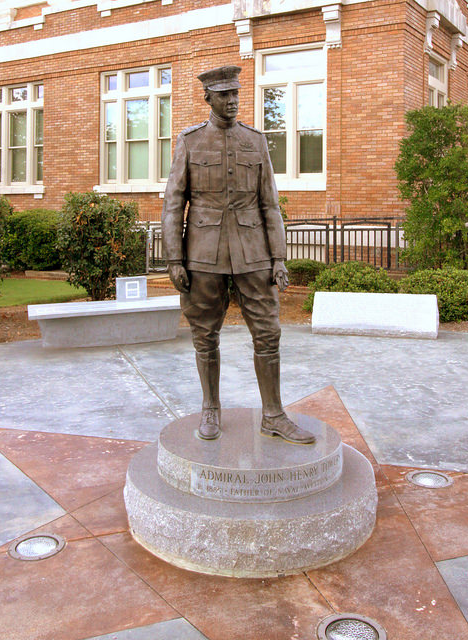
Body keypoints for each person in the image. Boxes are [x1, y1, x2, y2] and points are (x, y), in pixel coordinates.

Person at [162, 65, 315, 445]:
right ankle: (211, 407)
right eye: (224, 95)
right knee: (204, 334)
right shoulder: (190, 141)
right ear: (208, 98)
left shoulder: (256, 140)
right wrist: (174, 259)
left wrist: (278, 256)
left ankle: (274, 415)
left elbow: (270, 205)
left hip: (253, 252)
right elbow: (173, 203)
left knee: (268, 333)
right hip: (202, 252)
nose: (232, 101)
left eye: (236, 94)